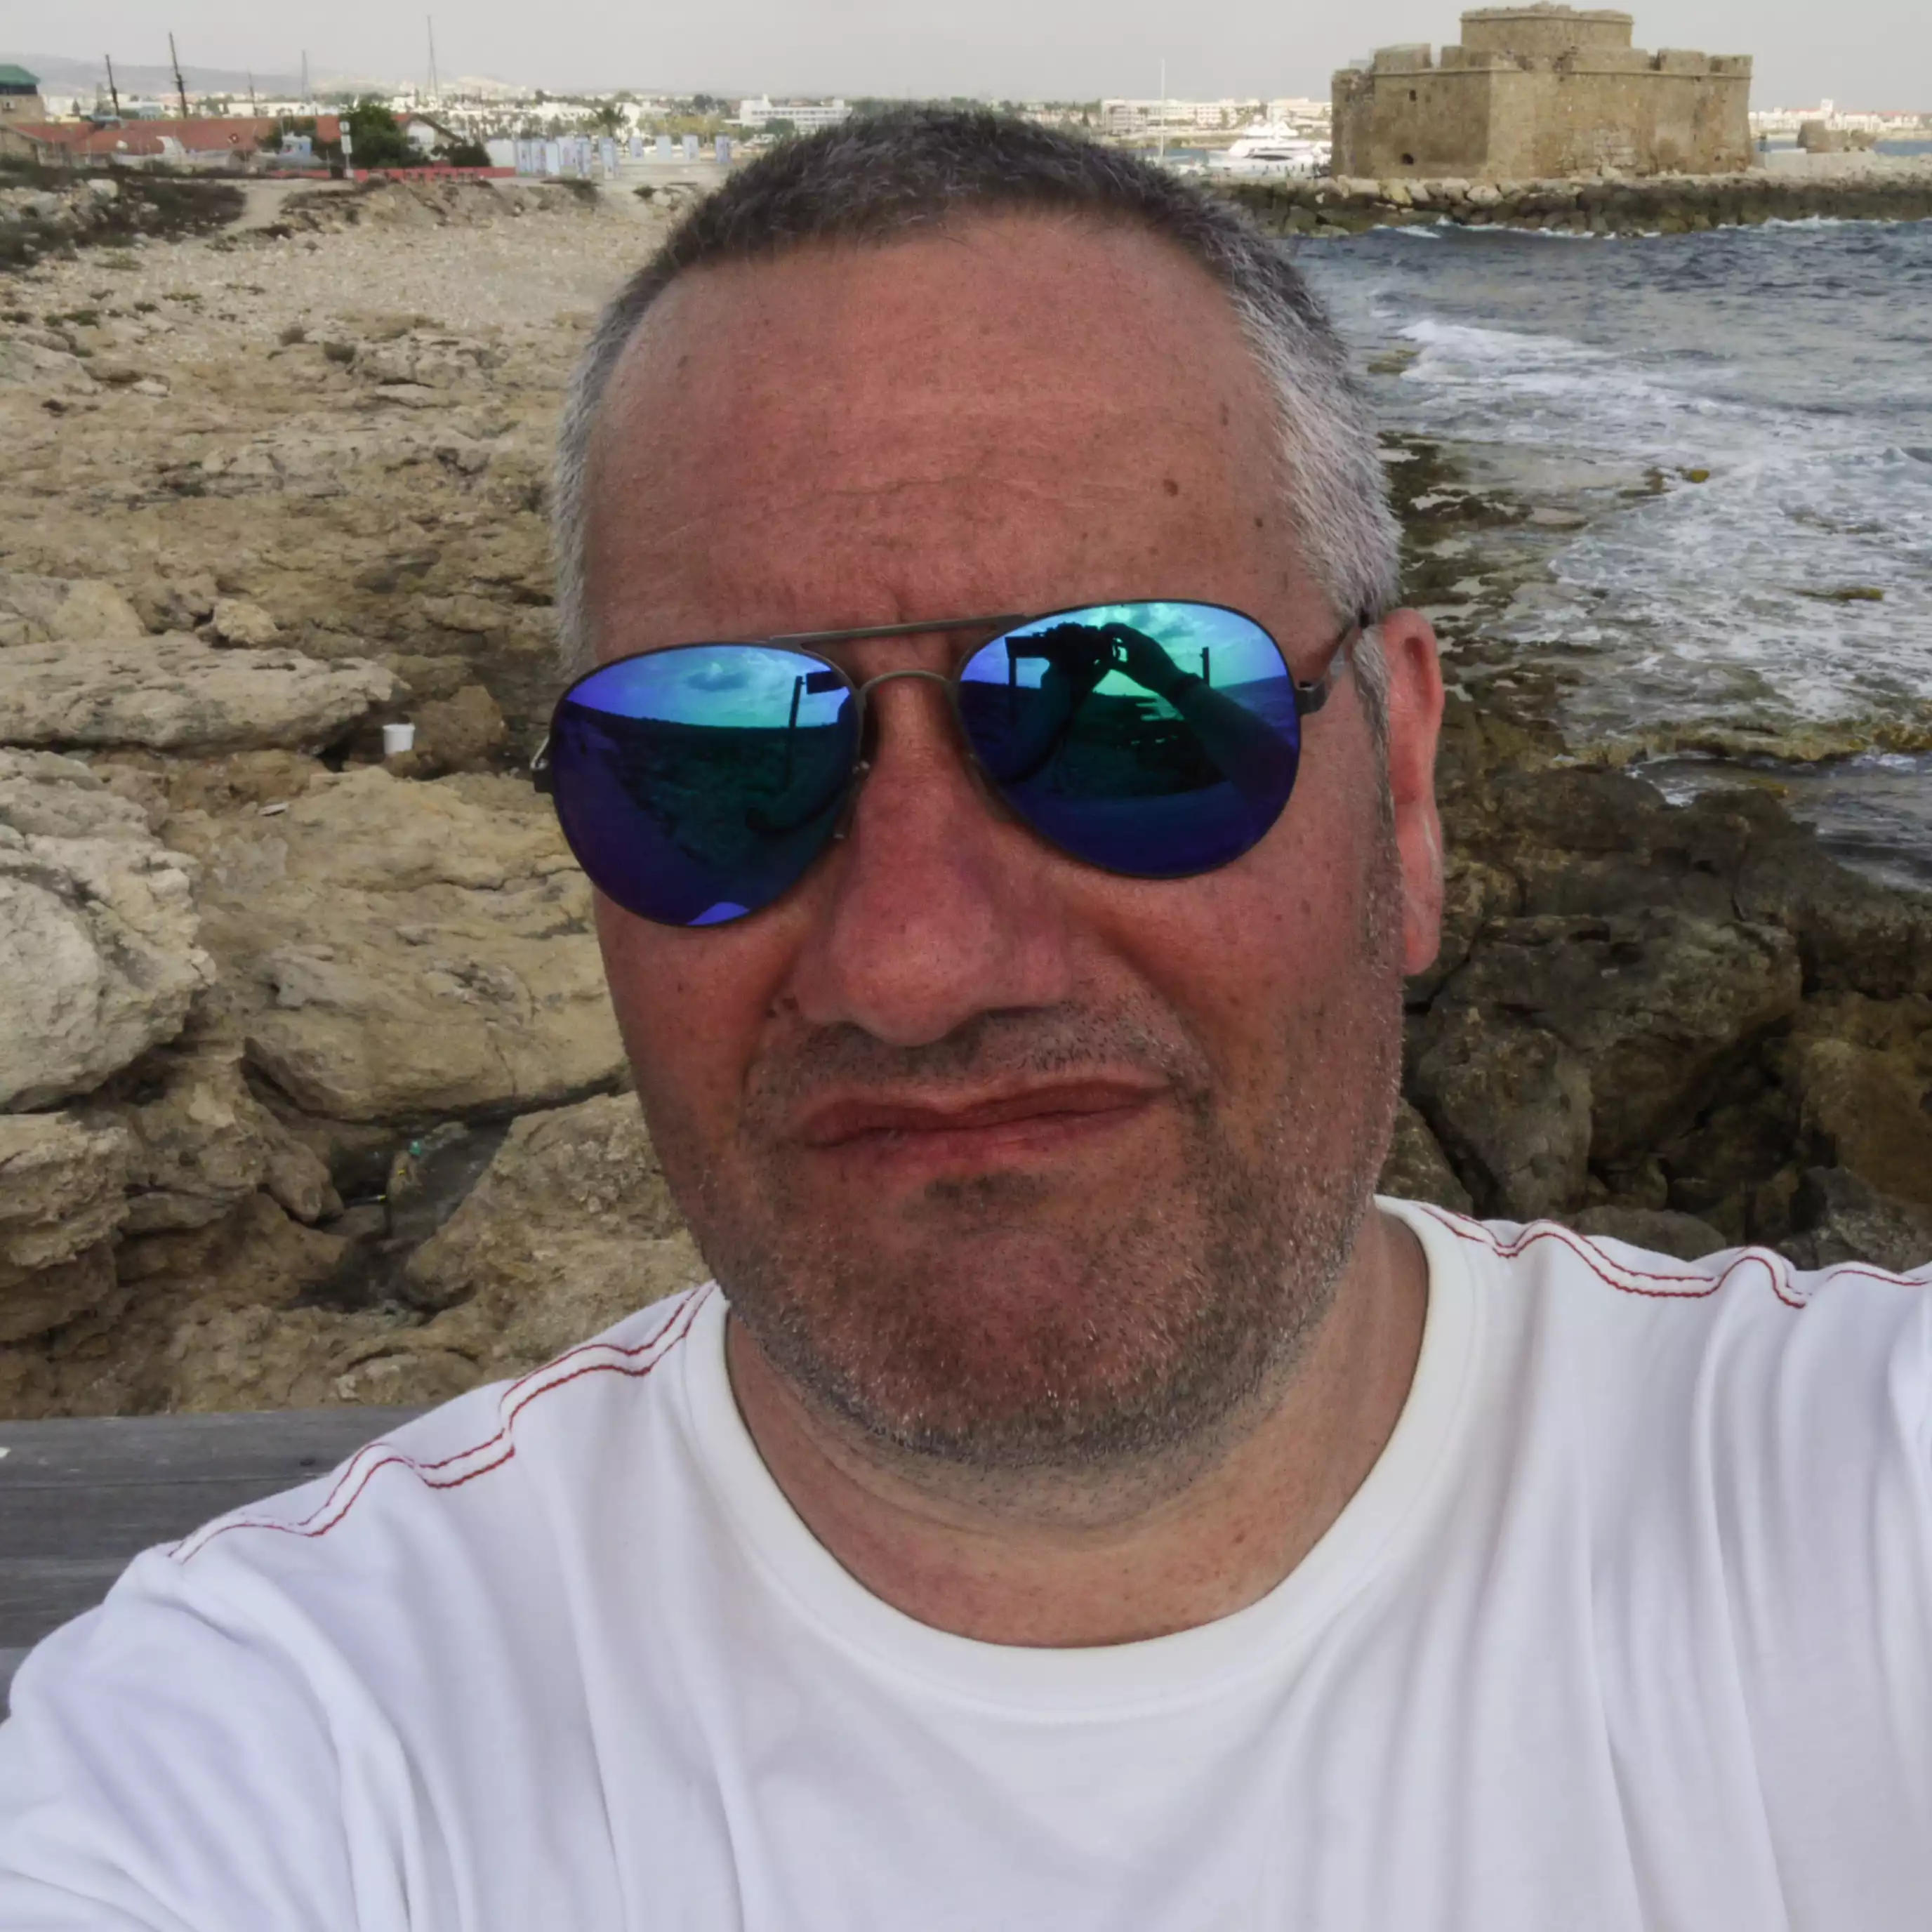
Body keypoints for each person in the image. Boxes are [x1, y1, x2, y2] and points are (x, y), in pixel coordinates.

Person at [1, 109, 1928, 1930]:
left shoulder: (1861, 1513)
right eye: (721, 757)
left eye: (1131, 714)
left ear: (1405, 785)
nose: (918, 963)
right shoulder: (284, 1747)